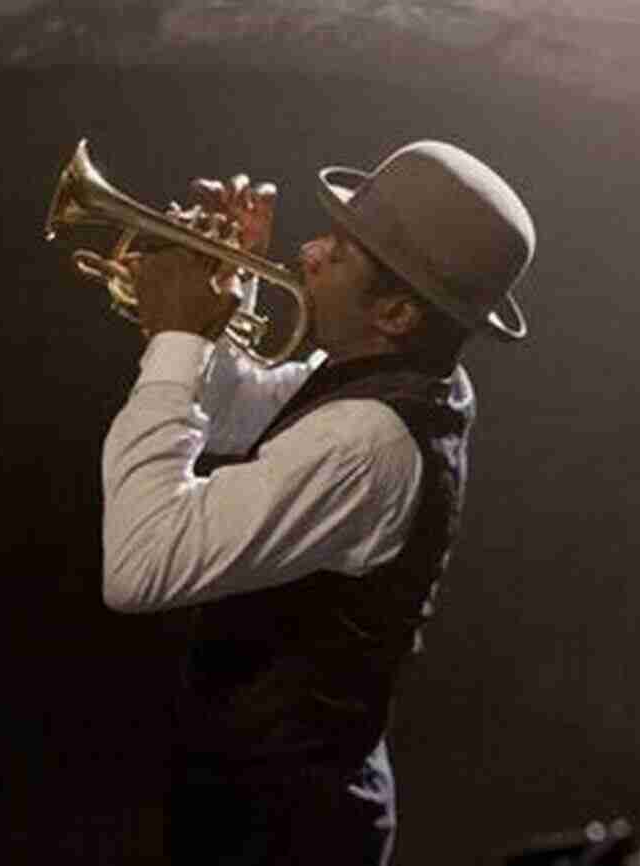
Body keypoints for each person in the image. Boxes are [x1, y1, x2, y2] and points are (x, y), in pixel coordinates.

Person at [100, 140, 536, 865]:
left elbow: (141, 562)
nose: (304, 251)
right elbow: (240, 412)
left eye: (337, 252)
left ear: (395, 311)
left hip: (284, 827)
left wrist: (177, 335)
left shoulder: (368, 440)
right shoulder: (397, 373)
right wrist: (217, 297)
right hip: (262, 793)